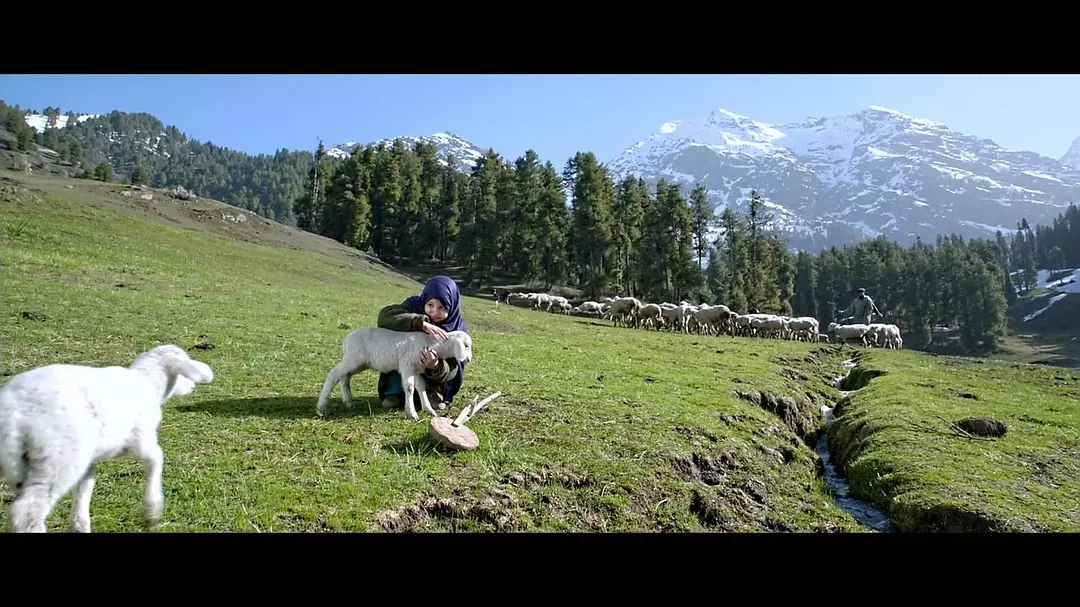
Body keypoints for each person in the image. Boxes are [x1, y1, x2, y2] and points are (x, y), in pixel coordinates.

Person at [375, 275, 469, 411]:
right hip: (403, 363)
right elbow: (385, 317)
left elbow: (456, 366)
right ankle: (395, 392)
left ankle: (432, 394)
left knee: (435, 403)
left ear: (452, 306)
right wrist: (420, 324)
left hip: (432, 377)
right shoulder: (414, 305)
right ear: (425, 300)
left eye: (442, 307)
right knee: (402, 358)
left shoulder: (457, 328)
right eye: (430, 305)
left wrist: (436, 365)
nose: (434, 312)